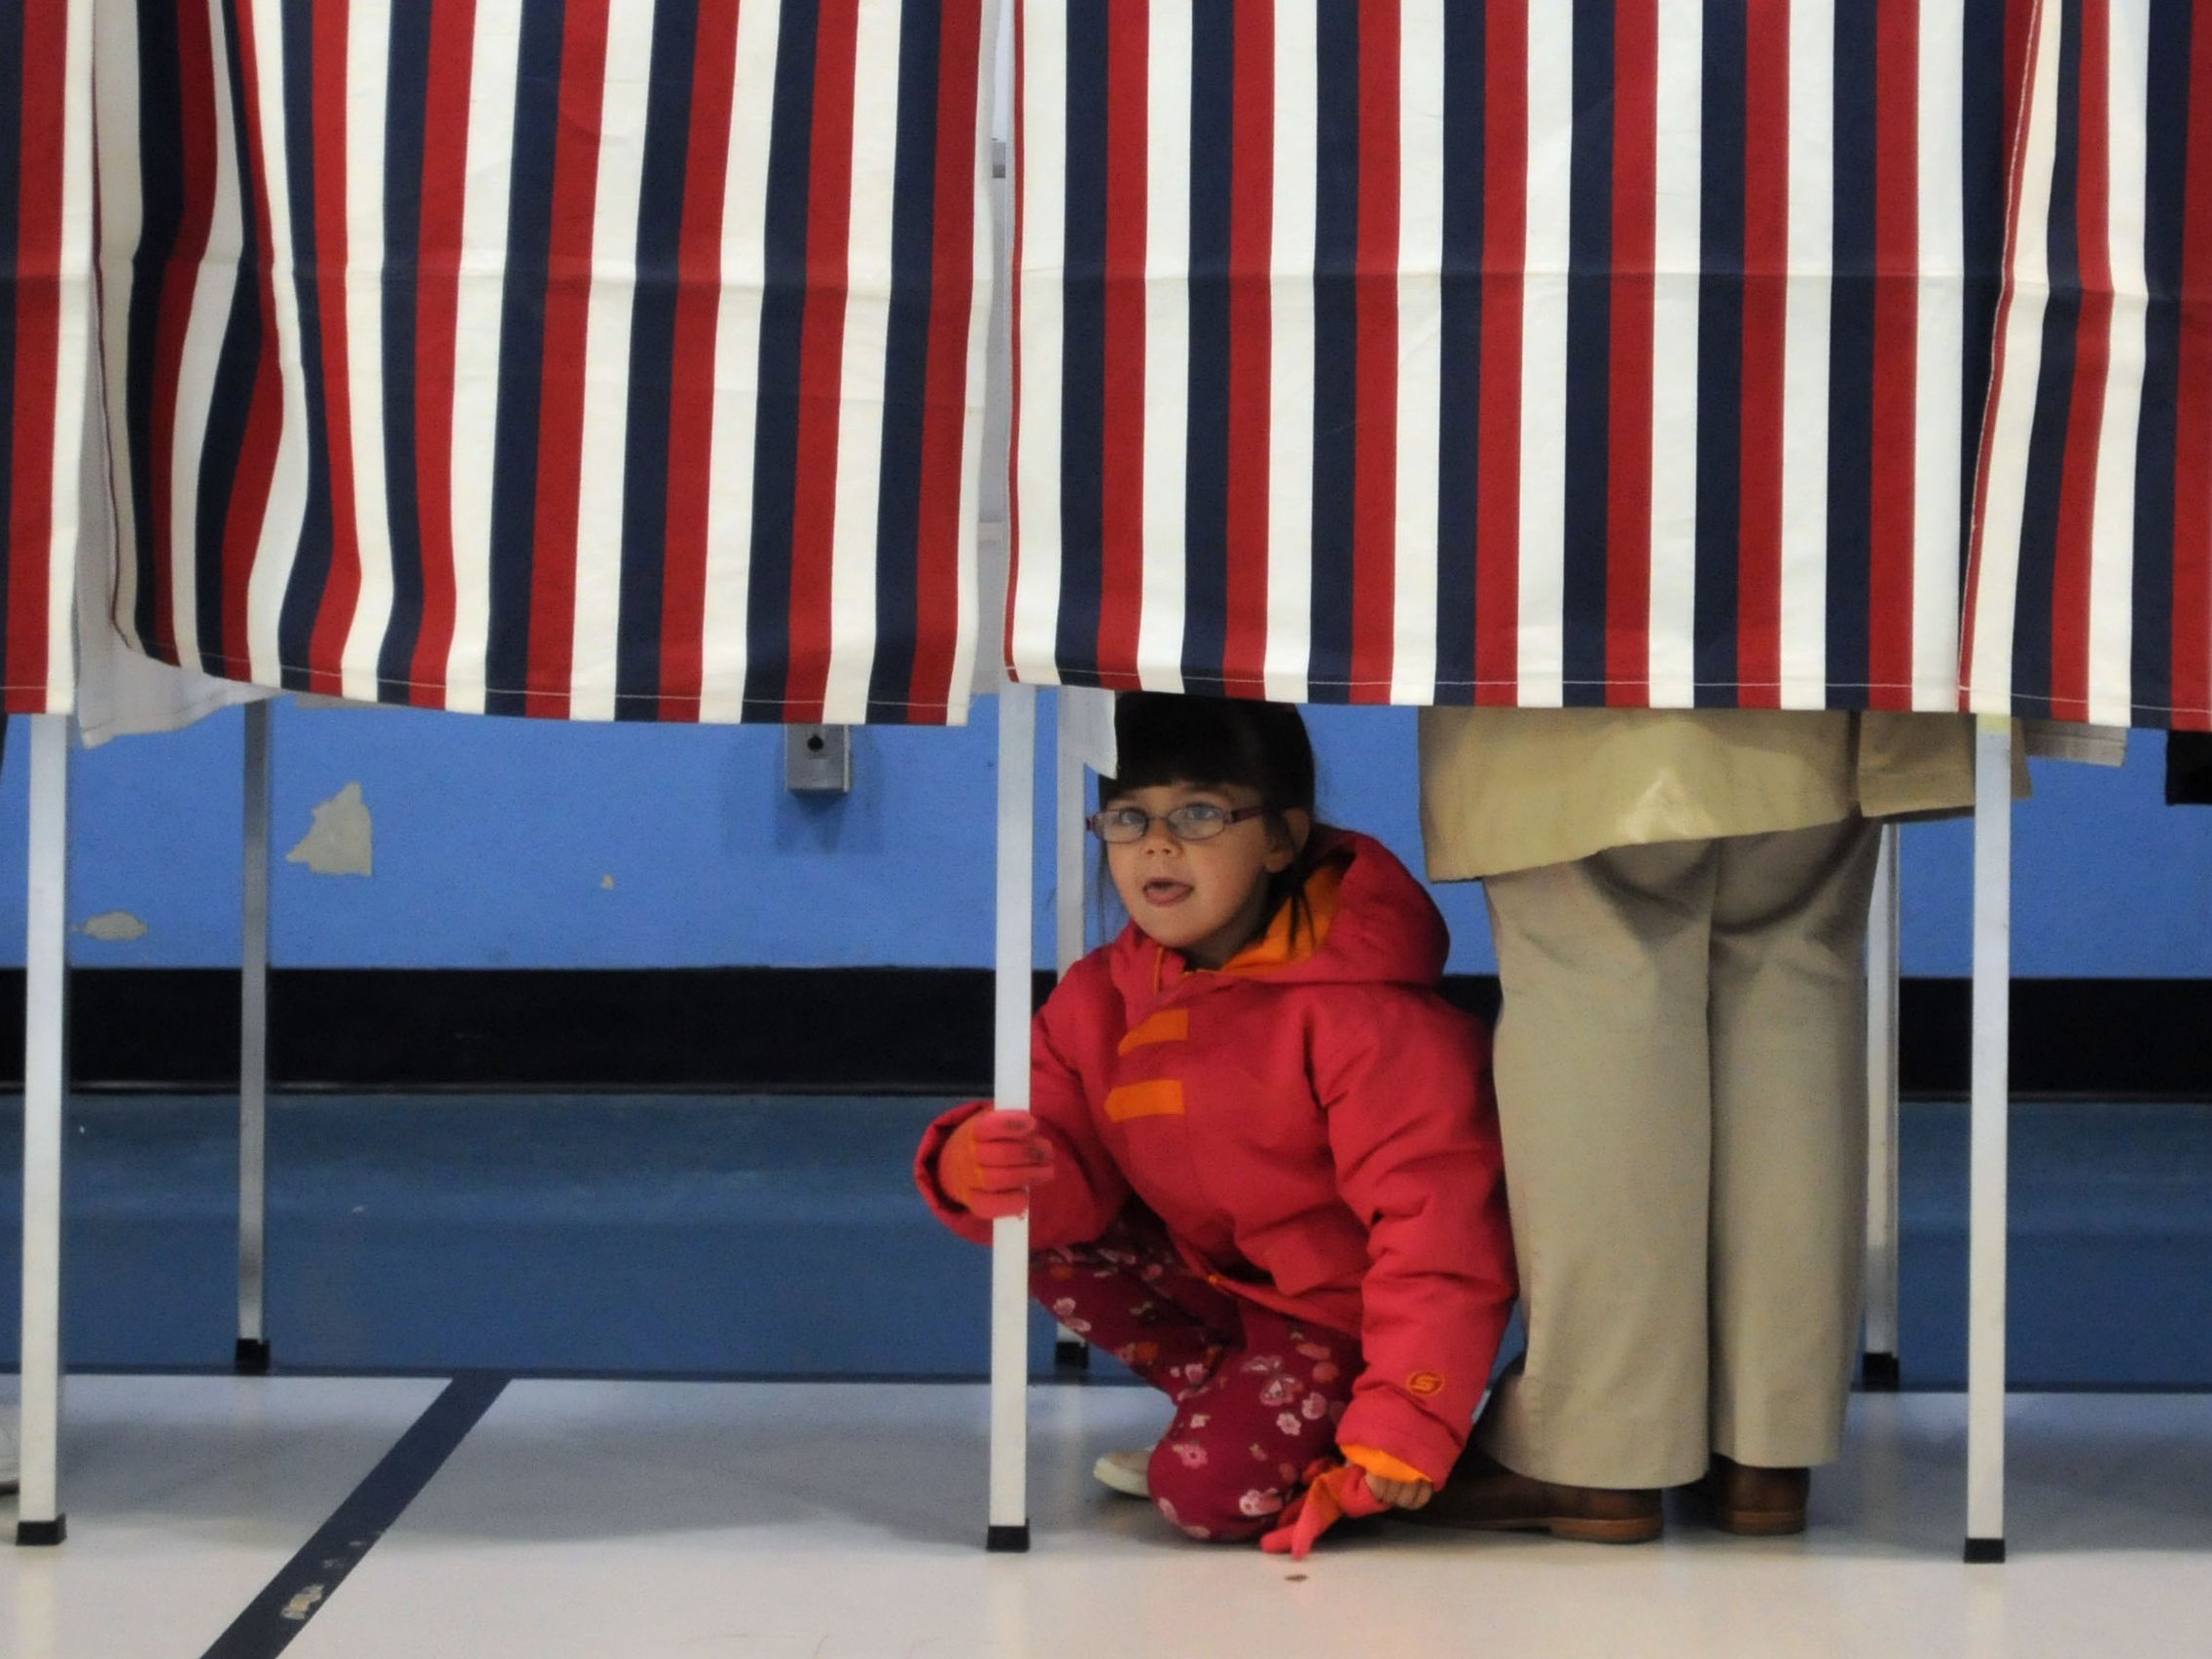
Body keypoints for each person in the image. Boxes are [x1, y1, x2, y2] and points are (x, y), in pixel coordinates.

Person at [915, 693, 1514, 1545]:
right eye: (1128, 816)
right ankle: (1238, 1396)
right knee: (1036, 1235)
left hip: (1344, 1319)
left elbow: (1443, 1233)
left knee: (1199, 1493)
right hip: (1232, 1290)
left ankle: (1327, 1426)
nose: (1157, 843)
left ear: (1279, 837)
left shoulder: (1370, 1016)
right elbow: (1066, 1185)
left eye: (1198, 812)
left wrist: (1407, 1419)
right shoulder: (1099, 996)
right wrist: (980, 1165)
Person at [1414, 705, 1987, 1541]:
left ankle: (1598, 1446)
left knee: (1595, 951)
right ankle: (1767, 1444)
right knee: (1793, 953)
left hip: (1591, 617)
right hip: (1824, 613)